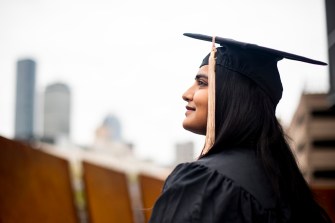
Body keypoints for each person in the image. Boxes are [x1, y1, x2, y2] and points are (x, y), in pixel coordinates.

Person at [148, 33, 332, 223]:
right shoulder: (287, 184)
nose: (186, 94)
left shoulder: (205, 183)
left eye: (202, 83)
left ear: (235, 95)